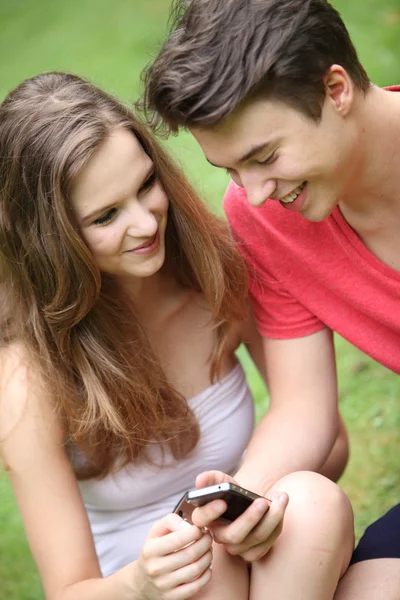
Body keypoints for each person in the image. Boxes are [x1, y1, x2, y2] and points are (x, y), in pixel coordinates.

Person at [0, 72, 353, 600]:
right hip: (154, 589)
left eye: (145, 185)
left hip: (265, 565)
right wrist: (142, 580)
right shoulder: (29, 379)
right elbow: (69, 590)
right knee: (207, 569)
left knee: (314, 504)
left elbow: (331, 444)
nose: (145, 223)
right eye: (106, 216)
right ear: (50, 241)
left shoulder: (214, 276)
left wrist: (251, 506)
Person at [141, 0, 400, 597]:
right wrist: (241, 498)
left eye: (263, 158)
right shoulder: (269, 221)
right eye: (230, 170)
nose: (252, 196)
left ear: (334, 89)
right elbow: (304, 407)